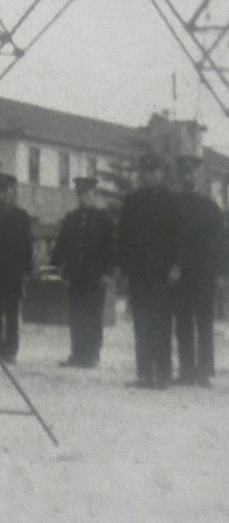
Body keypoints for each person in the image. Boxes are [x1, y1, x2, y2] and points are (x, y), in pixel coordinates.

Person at [115, 152, 181, 390]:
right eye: (146, 172)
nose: (150, 176)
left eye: (154, 171)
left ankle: (162, 374)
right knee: (141, 322)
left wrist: (177, 266)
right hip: (139, 271)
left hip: (163, 273)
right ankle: (144, 373)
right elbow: (122, 235)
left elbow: (180, 237)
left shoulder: (172, 201)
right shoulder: (132, 201)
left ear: (161, 173)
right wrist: (121, 266)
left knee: (162, 323)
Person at [50, 176, 115, 368]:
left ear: (94, 194)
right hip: (75, 274)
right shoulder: (71, 218)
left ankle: (92, 354)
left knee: (93, 314)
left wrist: (107, 272)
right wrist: (54, 266)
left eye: (86, 193)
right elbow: (61, 245)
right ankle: (77, 352)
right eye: (80, 194)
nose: (83, 197)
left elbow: (111, 248)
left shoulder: (104, 219)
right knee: (76, 313)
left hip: (95, 275)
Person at [172, 154, 225, 387]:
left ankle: (204, 371)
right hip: (180, 273)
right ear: (179, 176)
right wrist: (172, 266)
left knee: (204, 323)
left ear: (200, 175)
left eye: (192, 172)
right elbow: (168, 240)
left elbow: (222, 242)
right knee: (183, 322)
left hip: (204, 273)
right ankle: (186, 370)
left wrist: (221, 273)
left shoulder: (210, 207)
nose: (188, 177)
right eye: (184, 173)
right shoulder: (172, 205)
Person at [0, 172, 33, 364]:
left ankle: (10, 351)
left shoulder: (21, 216)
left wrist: (26, 271)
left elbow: (27, 245)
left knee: (11, 313)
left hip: (13, 272)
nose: (2, 195)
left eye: (6, 190)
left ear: (13, 192)